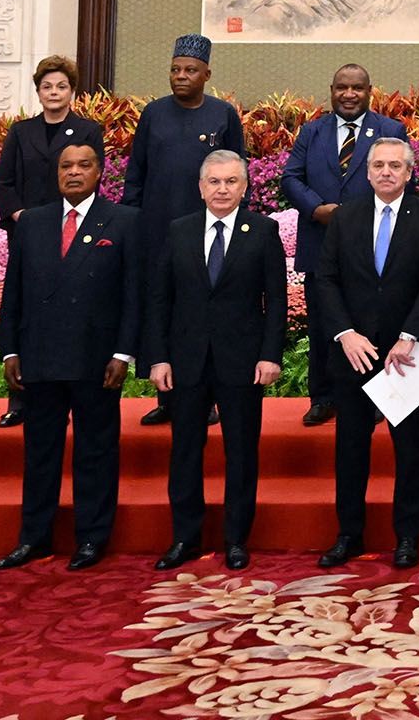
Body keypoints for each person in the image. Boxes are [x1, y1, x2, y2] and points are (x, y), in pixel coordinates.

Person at [0, 141, 139, 572]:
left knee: (95, 451)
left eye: (83, 165)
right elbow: (13, 291)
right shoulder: (32, 222)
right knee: (40, 452)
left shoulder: (125, 220)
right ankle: (33, 538)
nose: (74, 172)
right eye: (65, 166)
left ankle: (92, 538)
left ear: (100, 172)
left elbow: (135, 293)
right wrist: (10, 349)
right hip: (39, 356)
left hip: (97, 359)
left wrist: (123, 353)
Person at [316, 136, 419, 570]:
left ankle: (408, 537)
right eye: (379, 165)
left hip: (404, 353)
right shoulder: (345, 216)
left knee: (408, 448)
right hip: (353, 350)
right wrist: (345, 333)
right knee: (350, 447)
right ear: (367, 172)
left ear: (410, 173)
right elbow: (325, 278)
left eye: (396, 165)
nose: (387, 172)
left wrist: (410, 335)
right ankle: (348, 535)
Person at [146, 150, 286, 572]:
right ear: (201, 187)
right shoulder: (179, 230)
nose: (222, 189)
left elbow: (276, 300)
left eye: (230, 182)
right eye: (214, 181)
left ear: (244, 187)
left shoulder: (262, 230)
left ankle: (235, 539)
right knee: (185, 451)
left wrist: (270, 355)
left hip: (242, 361)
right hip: (186, 360)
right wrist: (158, 357)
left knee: (241, 452)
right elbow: (160, 299)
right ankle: (185, 539)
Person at [122, 34, 248, 426]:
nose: (181, 76)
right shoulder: (153, 114)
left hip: (207, 234)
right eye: (175, 69)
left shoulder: (222, 114)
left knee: (199, 314)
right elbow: (136, 173)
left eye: (190, 70)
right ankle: (167, 397)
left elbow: (238, 171)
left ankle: (205, 399)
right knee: (162, 310)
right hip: (158, 232)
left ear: (206, 74)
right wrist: (131, 222)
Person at [280, 64, 407, 427]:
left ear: (369, 91)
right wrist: (316, 208)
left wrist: (362, 214)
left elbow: (400, 180)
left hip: (374, 247)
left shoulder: (390, 130)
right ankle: (323, 398)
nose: (349, 94)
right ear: (332, 89)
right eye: (341, 87)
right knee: (324, 324)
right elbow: (291, 177)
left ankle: (378, 398)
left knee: (374, 324)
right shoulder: (312, 131)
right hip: (321, 243)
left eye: (357, 88)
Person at [0, 54, 102, 427]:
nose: (54, 92)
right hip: (27, 233)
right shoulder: (21, 132)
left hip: (74, 232)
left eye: (61, 86)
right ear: (38, 92)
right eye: (47, 87)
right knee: (27, 309)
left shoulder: (87, 130)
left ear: (72, 91)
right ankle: (19, 400)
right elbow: (4, 181)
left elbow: (93, 178)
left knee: (70, 311)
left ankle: (66, 399)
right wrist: (21, 216)